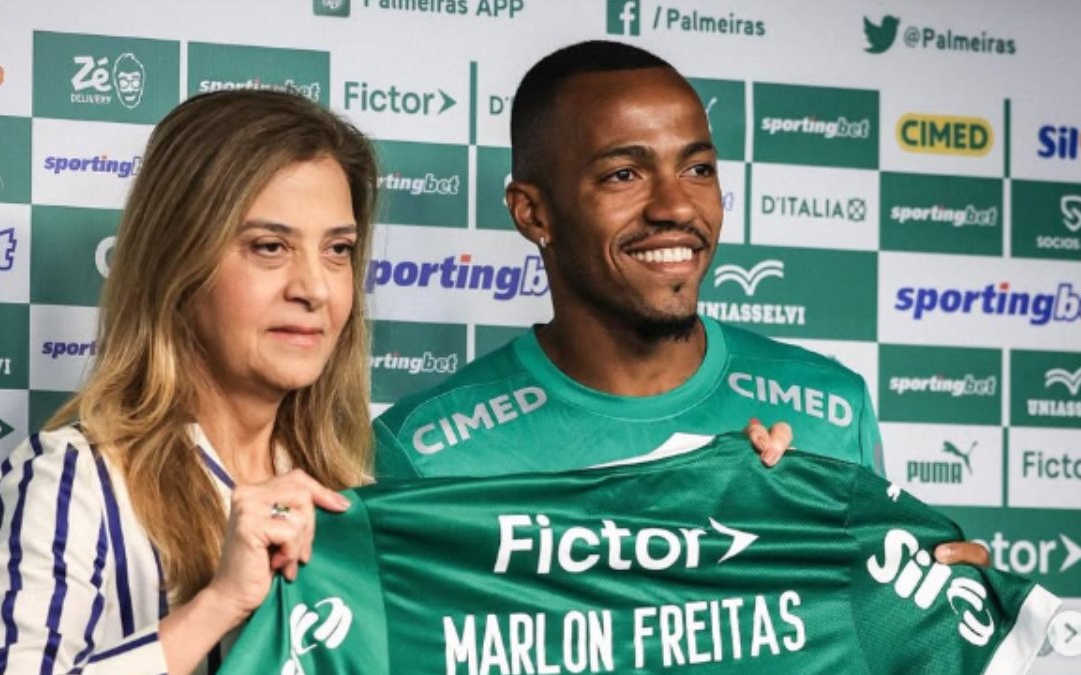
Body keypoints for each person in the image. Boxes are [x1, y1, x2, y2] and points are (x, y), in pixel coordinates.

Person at [372, 40, 987, 566]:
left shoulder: (831, 410)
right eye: (623, 175)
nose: (675, 206)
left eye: (697, 168)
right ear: (533, 213)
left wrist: (944, 606)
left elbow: (872, 633)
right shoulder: (424, 453)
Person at [0, 90, 378, 674]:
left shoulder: (354, 495)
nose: (315, 288)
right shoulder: (73, 481)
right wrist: (219, 604)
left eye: (338, 250)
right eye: (270, 247)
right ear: (180, 266)